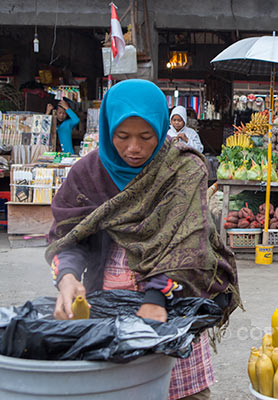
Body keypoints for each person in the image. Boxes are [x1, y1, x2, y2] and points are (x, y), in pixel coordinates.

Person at [45, 79, 241, 400]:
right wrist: (67, 277)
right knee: (117, 390)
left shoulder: (182, 168)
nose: (133, 148)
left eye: (145, 137)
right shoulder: (88, 173)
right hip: (107, 307)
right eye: (122, 137)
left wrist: (156, 297)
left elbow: (186, 241)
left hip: (174, 300)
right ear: (108, 130)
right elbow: (70, 236)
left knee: (180, 391)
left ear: (161, 129)